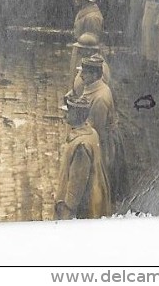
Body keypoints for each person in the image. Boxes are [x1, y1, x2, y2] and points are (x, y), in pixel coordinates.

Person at [78, 55, 129, 202]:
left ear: (95, 75)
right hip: (102, 137)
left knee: (100, 176)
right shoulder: (95, 87)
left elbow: (96, 131)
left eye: (85, 73)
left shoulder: (100, 98)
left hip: (103, 143)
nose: (81, 76)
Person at [54, 94, 112, 220]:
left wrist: (67, 208)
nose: (65, 115)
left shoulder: (81, 146)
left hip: (84, 206)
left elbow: (77, 183)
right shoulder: (92, 132)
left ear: (76, 115)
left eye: (68, 112)